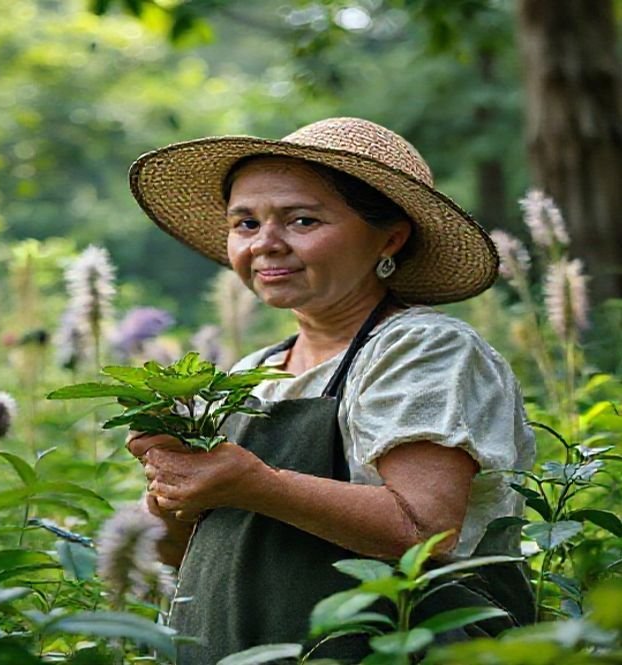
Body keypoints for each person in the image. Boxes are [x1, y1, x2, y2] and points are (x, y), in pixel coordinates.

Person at [125, 117, 536, 663]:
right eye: (245, 224)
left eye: (301, 221)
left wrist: (254, 483)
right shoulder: (252, 371)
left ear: (390, 237)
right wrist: (173, 489)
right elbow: (182, 561)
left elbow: (424, 531)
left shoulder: (425, 349)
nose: (267, 245)